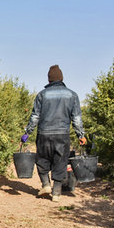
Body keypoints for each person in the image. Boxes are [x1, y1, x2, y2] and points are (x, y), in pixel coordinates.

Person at [21, 65, 87, 201]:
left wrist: (27, 133)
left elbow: (35, 116)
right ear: (61, 79)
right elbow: (76, 118)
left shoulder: (42, 95)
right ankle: (56, 192)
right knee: (60, 161)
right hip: (62, 135)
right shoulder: (72, 95)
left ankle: (45, 184)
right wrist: (81, 135)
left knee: (42, 159)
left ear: (49, 80)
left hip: (44, 133)